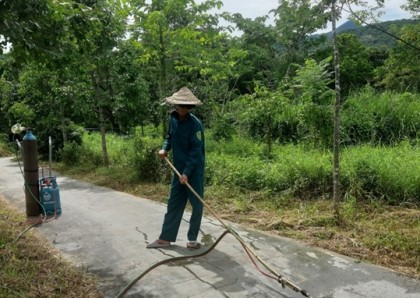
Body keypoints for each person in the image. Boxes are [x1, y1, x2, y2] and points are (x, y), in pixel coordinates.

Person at [147, 87, 205, 250]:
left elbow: (196, 151)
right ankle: (165, 238)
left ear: (189, 108)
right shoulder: (172, 118)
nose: (180, 109)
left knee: (197, 204)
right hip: (177, 169)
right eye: (178, 106)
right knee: (174, 202)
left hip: (193, 171)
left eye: (184, 107)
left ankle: (192, 239)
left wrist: (186, 173)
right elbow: (169, 137)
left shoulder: (195, 125)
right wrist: (165, 148)